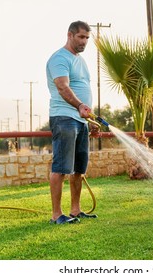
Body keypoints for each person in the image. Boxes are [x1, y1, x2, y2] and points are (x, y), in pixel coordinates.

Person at [46, 20, 98, 224]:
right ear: (70, 35)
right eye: (81, 37)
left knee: (79, 169)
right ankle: (57, 215)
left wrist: (91, 119)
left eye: (87, 38)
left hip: (81, 120)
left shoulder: (81, 61)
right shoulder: (59, 58)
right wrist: (79, 107)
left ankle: (75, 210)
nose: (84, 41)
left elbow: (83, 90)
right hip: (64, 118)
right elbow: (63, 87)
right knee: (60, 167)